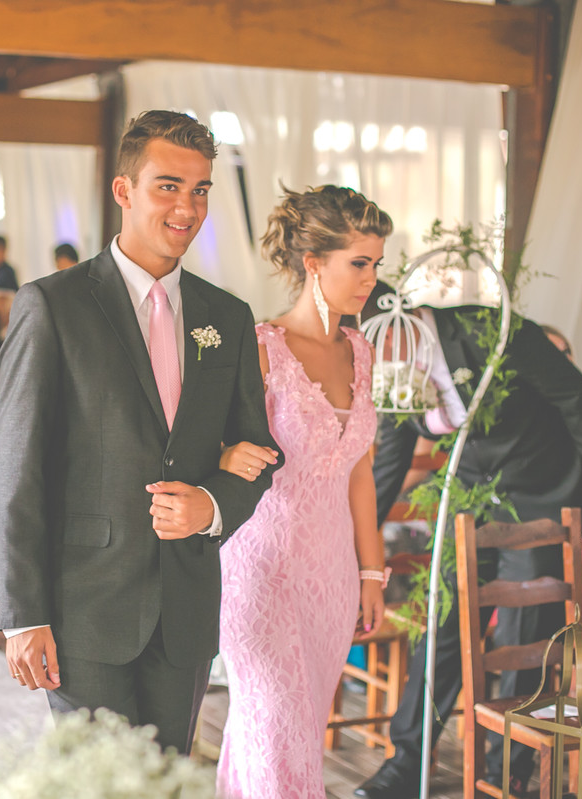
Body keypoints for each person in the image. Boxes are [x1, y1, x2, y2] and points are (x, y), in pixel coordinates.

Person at [0, 110, 280, 754]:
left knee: (168, 783)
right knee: (100, 787)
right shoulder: (52, 304)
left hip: (185, 612)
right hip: (83, 610)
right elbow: (14, 469)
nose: (187, 208)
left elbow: (260, 452)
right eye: (167, 186)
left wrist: (212, 505)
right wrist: (23, 616)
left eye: (200, 190)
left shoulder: (227, 316)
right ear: (124, 190)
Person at [355, 281, 582, 799]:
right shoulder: (390, 368)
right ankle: (405, 764)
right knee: (442, 627)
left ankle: (508, 773)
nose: (363, 361)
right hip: (466, 501)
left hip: (538, 494)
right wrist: (358, 538)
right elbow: (390, 460)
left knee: (523, 640)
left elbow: (573, 394)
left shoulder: (491, 329)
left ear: (394, 325)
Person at [212, 185, 388, 797]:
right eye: (358, 263)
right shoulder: (262, 349)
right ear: (313, 262)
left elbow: (359, 472)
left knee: (298, 736)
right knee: (274, 733)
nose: (371, 279)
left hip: (332, 579)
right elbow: (213, 449)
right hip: (263, 574)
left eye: (376, 264)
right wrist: (224, 456)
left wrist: (372, 573)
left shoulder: (360, 351)